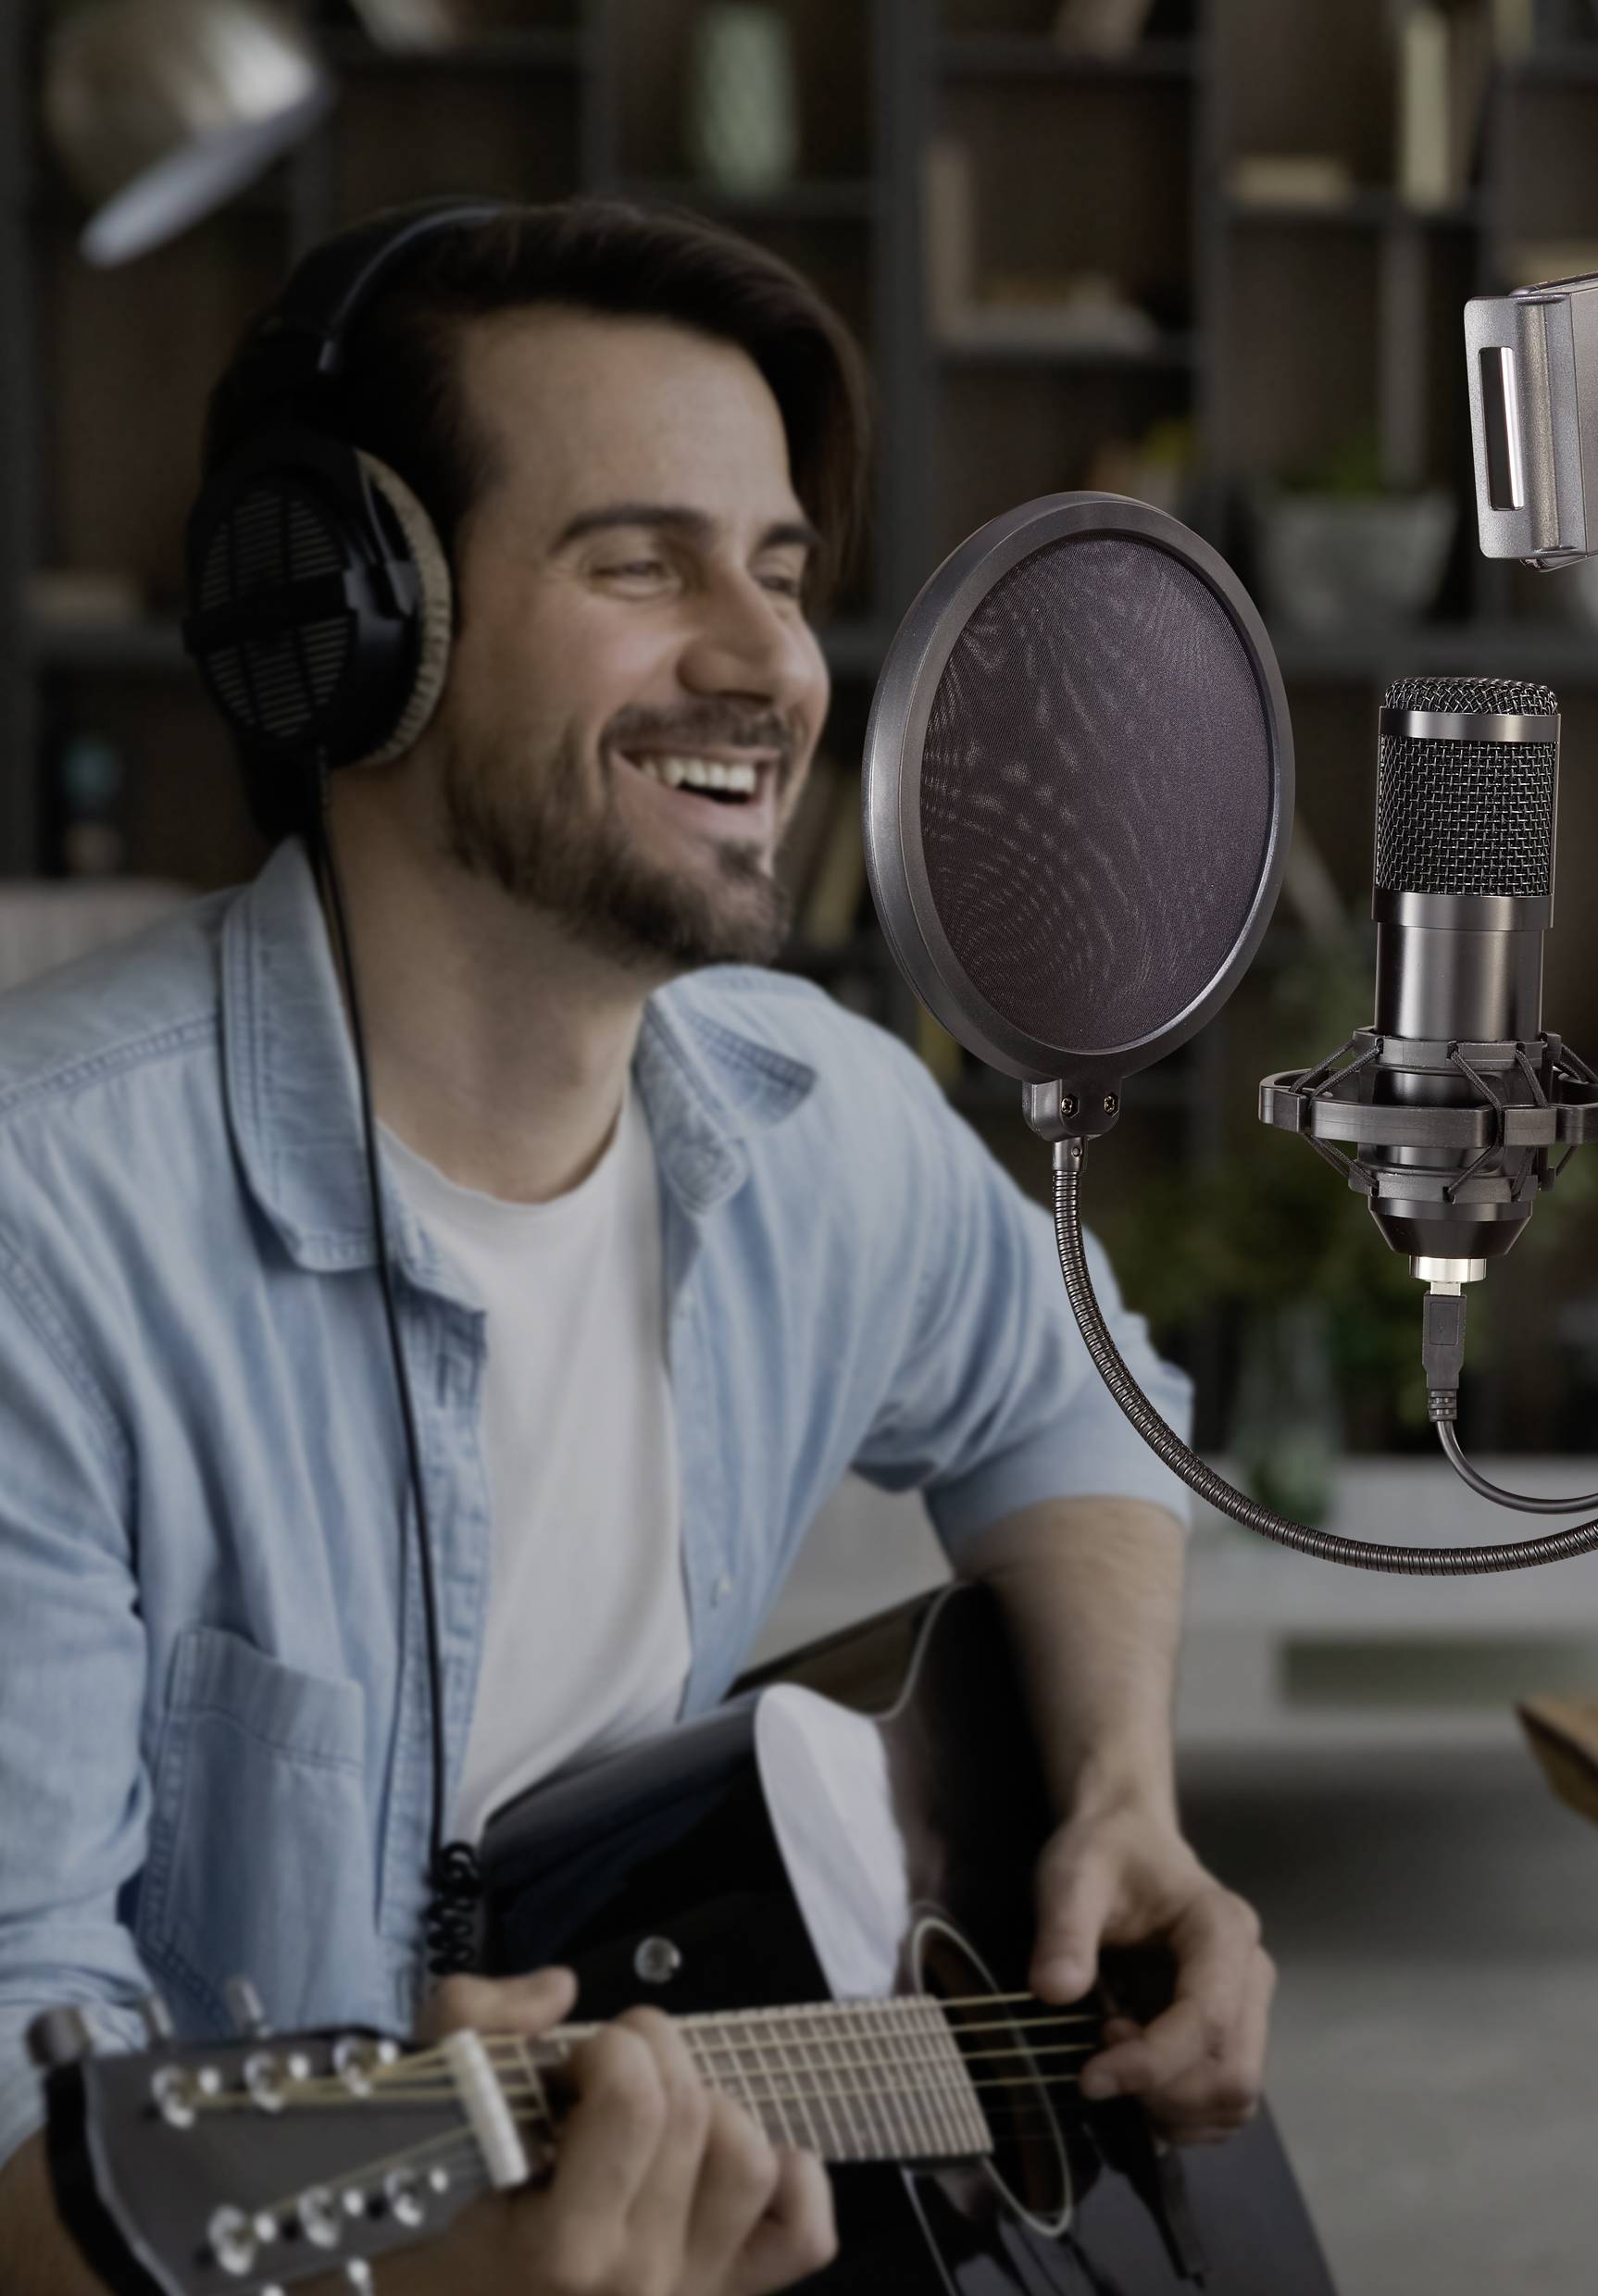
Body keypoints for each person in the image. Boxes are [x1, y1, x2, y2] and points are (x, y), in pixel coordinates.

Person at [0, 200, 1273, 2293]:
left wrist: (1120, 1799)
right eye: (639, 562)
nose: (767, 660)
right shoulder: (55, 1244)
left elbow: (1077, 1401)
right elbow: (17, 2142)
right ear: (347, 625)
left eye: (778, 574)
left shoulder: (817, 1112)